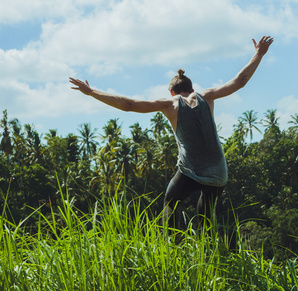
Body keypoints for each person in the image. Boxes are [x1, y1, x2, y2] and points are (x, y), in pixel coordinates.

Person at [69, 35, 274, 230]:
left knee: (170, 202)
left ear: (172, 92)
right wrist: (259, 54)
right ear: (192, 88)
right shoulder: (208, 96)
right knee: (206, 215)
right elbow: (240, 81)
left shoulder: (170, 104)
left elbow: (128, 105)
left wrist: (92, 92)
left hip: (190, 171)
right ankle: (209, 253)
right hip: (218, 172)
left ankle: (172, 246)